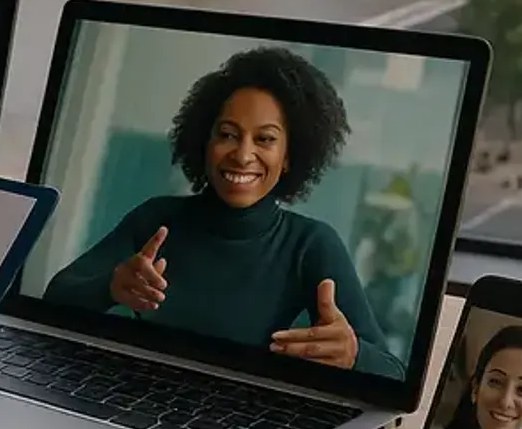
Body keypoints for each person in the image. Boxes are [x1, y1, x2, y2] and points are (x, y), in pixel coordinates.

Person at [43, 46, 404, 378]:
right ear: (206, 141)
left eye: (265, 139)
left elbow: (394, 374)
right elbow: (55, 298)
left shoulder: (310, 244)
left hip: (240, 421)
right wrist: (111, 287)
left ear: (290, 156)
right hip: (132, 399)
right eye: (228, 134)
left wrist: (353, 354)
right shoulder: (157, 219)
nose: (243, 155)